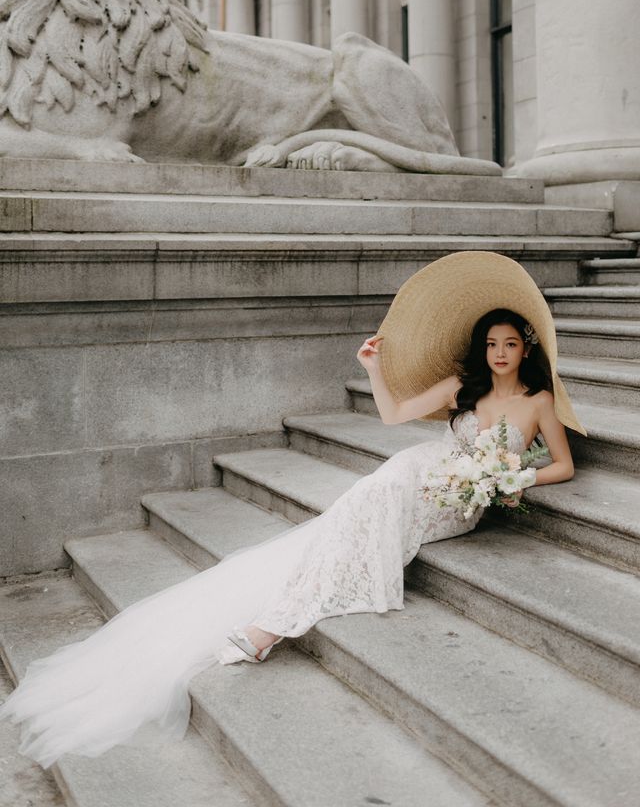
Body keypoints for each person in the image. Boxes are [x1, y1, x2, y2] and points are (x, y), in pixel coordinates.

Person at [0, 252, 583, 768]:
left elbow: (563, 466)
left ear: (525, 348)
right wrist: (373, 370)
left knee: (371, 506)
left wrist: (509, 476)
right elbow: (395, 417)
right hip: (420, 471)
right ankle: (273, 621)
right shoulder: (464, 385)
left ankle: (268, 626)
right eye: (492, 343)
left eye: (509, 344)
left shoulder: (537, 403)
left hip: (460, 502)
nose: (500, 353)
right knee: (369, 497)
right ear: (482, 348)